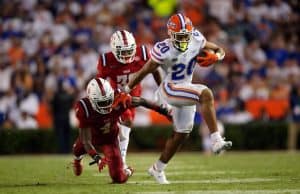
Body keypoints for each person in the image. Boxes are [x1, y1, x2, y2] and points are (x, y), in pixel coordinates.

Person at [123, 13, 232, 184]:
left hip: (185, 88)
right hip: (169, 88)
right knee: (206, 94)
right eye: (180, 36)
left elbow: (220, 50)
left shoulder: (196, 38)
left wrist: (216, 57)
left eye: (186, 36)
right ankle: (216, 139)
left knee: (182, 134)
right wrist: (126, 89)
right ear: (170, 34)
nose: (184, 40)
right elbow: (145, 70)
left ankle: (157, 169)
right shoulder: (163, 49)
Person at [72, 77, 171, 183]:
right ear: (91, 100)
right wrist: (97, 158)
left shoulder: (119, 99)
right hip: (91, 137)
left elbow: (142, 101)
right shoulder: (84, 108)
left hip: (109, 140)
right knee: (77, 150)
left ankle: (128, 171)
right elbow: (86, 141)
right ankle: (77, 161)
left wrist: (164, 111)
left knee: (118, 178)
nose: (106, 105)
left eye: (108, 100)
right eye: (102, 103)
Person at [97, 30, 162, 168]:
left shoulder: (143, 53)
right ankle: (121, 160)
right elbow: (99, 83)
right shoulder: (106, 60)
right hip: (115, 94)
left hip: (135, 93)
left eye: (129, 51)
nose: (127, 55)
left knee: (127, 123)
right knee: (126, 121)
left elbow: (155, 70)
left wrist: (162, 88)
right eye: (123, 51)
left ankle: (118, 156)